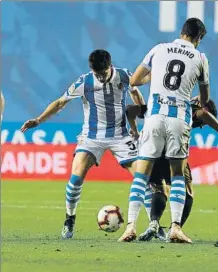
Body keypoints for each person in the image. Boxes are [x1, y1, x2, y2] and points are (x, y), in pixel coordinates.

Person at [20, 49, 145, 238]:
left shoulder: (124, 76)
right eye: (97, 74)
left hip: (120, 135)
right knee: (76, 176)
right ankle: (69, 218)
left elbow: (136, 94)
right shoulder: (84, 81)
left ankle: (153, 225)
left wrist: (139, 118)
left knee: (143, 178)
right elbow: (60, 102)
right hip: (91, 137)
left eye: (103, 74)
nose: (101, 78)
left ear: (110, 66)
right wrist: (38, 120)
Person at [118, 18, 209, 243]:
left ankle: (130, 227)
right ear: (198, 38)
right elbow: (204, 99)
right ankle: (175, 228)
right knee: (177, 175)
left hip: (155, 117)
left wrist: (155, 77)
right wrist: (196, 98)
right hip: (179, 118)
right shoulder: (200, 57)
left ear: (181, 32)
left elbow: (135, 80)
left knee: (142, 175)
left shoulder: (159, 49)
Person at [125, 98, 218, 241]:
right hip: (173, 150)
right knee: (187, 190)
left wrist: (135, 132)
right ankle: (175, 228)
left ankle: (153, 223)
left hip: (150, 149)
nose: (202, 126)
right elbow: (203, 114)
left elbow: (129, 110)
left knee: (158, 188)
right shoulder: (188, 109)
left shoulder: (159, 102)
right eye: (204, 124)